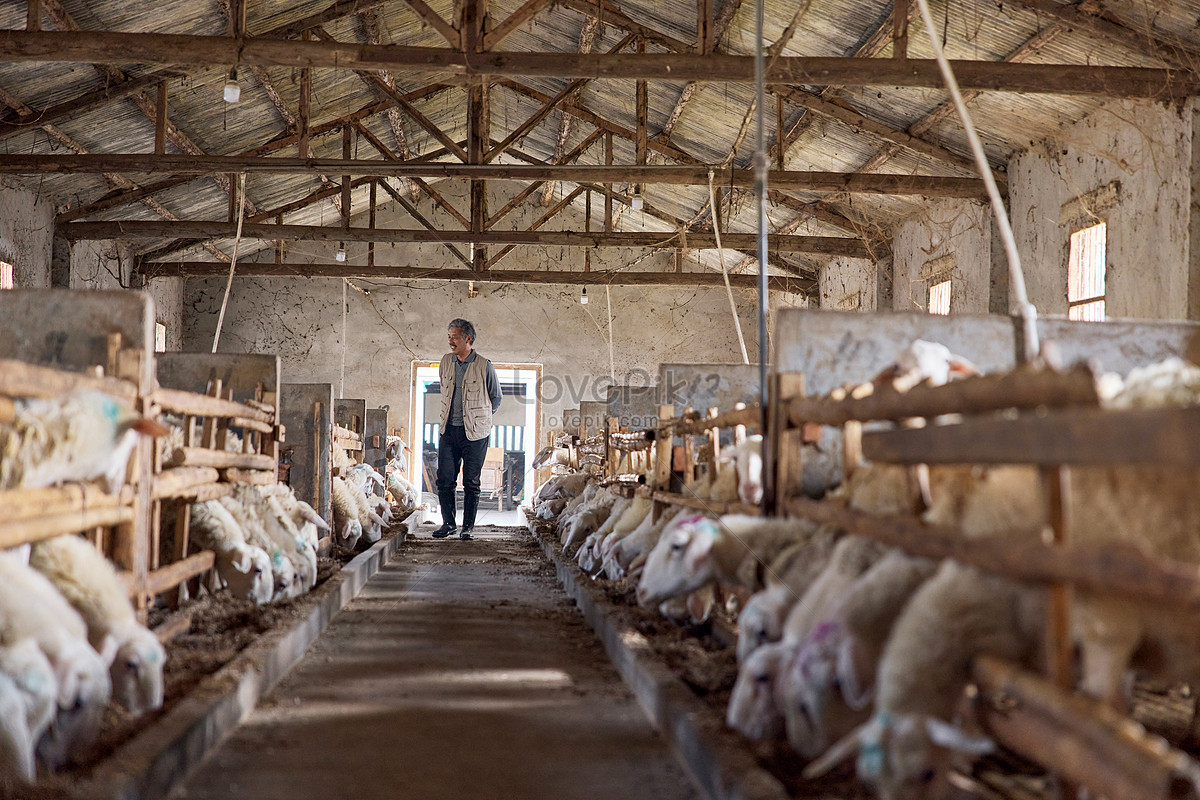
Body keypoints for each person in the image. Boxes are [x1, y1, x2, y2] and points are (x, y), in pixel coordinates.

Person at [433, 318, 502, 541]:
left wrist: (480, 419)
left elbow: (496, 397)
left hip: (475, 434)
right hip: (448, 430)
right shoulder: (445, 361)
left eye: (455, 336)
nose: (450, 341)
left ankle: (468, 528)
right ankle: (449, 524)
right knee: (445, 479)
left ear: (468, 339)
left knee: (471, 481)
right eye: (449, 336)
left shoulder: (484, 365)